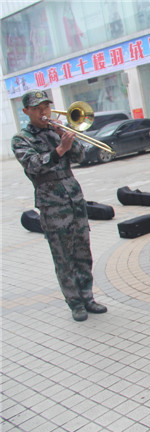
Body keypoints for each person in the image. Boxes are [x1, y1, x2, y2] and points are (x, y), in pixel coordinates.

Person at [12, 90, 107, 322]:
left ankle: (88, 297)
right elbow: (33, 165)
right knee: (64, 258)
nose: (43, 112)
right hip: (52, 205)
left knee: (83, 253)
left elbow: (81, 157)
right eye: (37, 108)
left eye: (46, 106)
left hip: (75, 201)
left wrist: (66, 137)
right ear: (26, 111)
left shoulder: (56, 131)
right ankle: (75, 303)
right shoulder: (21, 139)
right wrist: (59, 150)